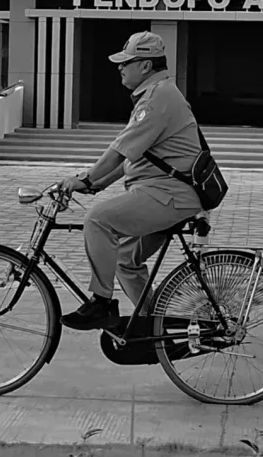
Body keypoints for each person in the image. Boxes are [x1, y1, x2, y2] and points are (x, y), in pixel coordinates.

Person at [56, 30, 204, 331]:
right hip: (166, 194)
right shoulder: (158, 94)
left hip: (168, 195)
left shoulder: (158, 98)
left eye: (126, 62)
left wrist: (85, 177)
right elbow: (134, 157)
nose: (120, 68)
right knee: (125, 260)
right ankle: (151, 329)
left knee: (98, 219)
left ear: (146, 66)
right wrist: (96, 184)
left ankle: (101, 303)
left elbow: (118, 150)